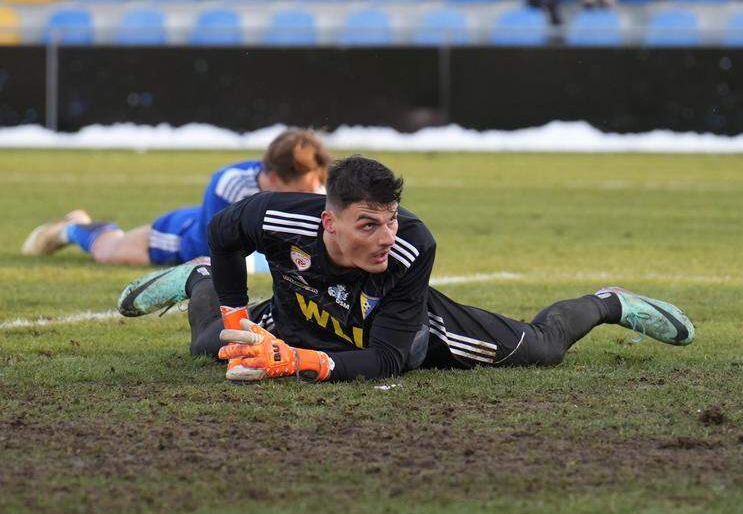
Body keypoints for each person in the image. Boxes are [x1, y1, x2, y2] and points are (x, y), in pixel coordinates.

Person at [116, 155, 695, 382]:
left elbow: (394, 358)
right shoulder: (277, 218)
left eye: (391, 219)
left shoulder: (412, 247)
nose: (385, 237)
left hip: (405, 330)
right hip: (300, 313)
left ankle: (609, 302)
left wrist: (300, 363)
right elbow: (223, 232)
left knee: (543, 349)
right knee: (210, 343)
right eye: (369, 224)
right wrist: (240, 317)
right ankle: (197, 279)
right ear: (329, 223)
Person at [21, 129, 330, 267]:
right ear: (274, 178)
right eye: (304, 190)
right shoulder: (229, 184)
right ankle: (72, 228)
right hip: (181, 239)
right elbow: (215, 250)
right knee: (108, 252)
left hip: (238, 247)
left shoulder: (316, 187)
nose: (311, 197)